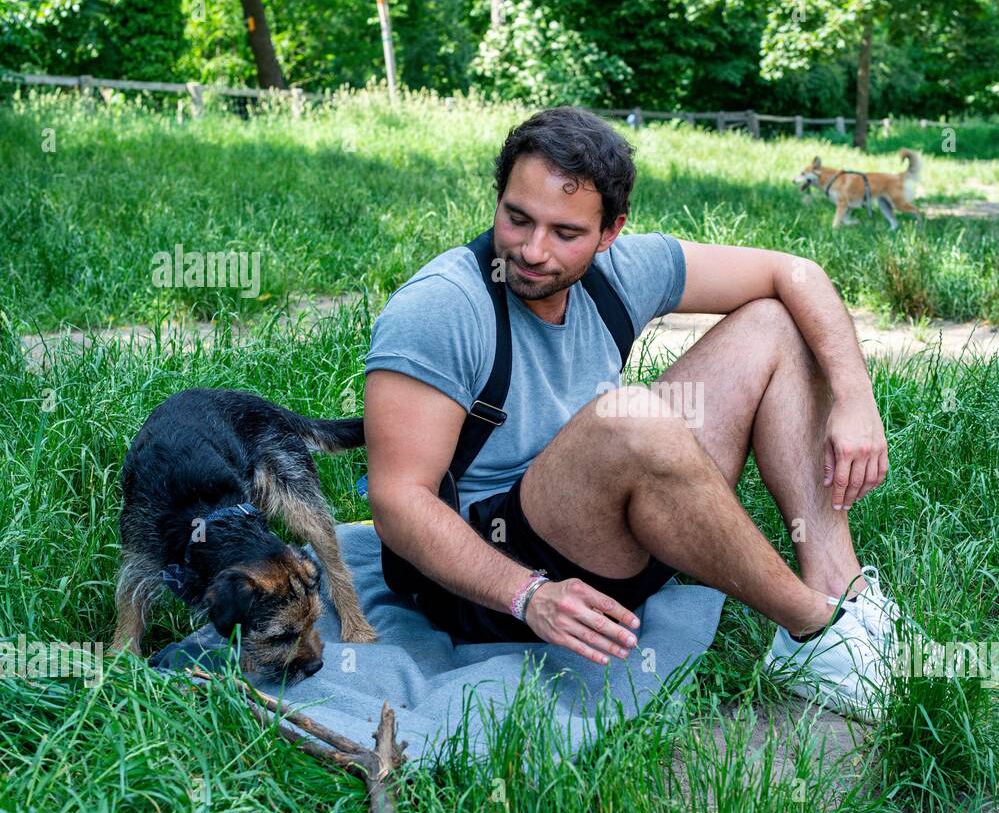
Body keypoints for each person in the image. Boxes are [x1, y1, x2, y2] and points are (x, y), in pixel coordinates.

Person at [364, 106, 899, 719]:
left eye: (566, 233)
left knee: (776, 322)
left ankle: (843, 592)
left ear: (610, 231)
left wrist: (856, 397)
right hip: (487, 573)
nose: (533, 251)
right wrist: (528, 595)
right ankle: (813, 631)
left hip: (607, 533)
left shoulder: (622, 270)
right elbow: (398, 503)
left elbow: (793, 271)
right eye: (517, 219)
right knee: (628, 415)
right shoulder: (440, 307)